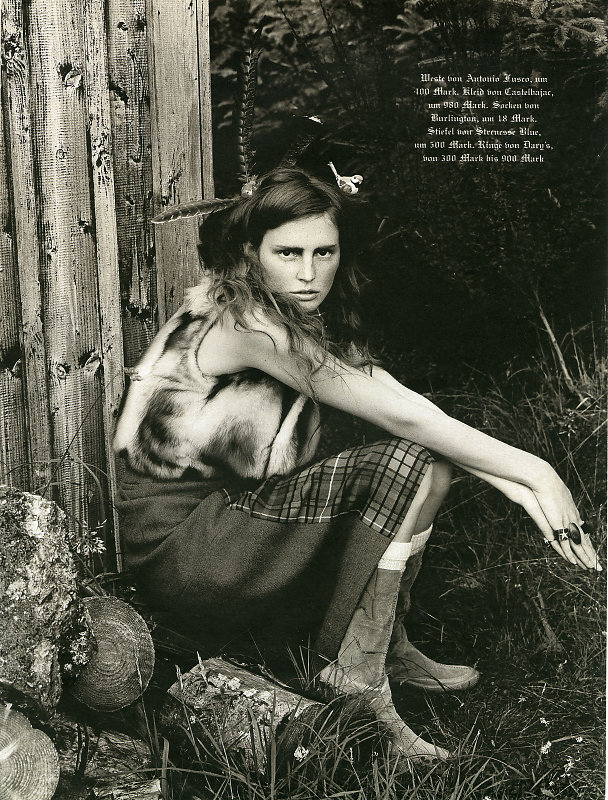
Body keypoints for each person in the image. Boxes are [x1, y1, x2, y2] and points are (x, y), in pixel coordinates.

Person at [114, 166, 600, 762]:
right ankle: (357, 683)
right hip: (182, 552)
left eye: (324, 252)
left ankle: (384, 646)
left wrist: (517, 483)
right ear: (250, 253)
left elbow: (408, 406)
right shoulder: (248, 325)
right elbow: (402, 422)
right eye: (288, 253)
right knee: (403, 464)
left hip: (227, 523)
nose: (308, 273)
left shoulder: (290, 316)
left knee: (431, 465)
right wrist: (541, 472)